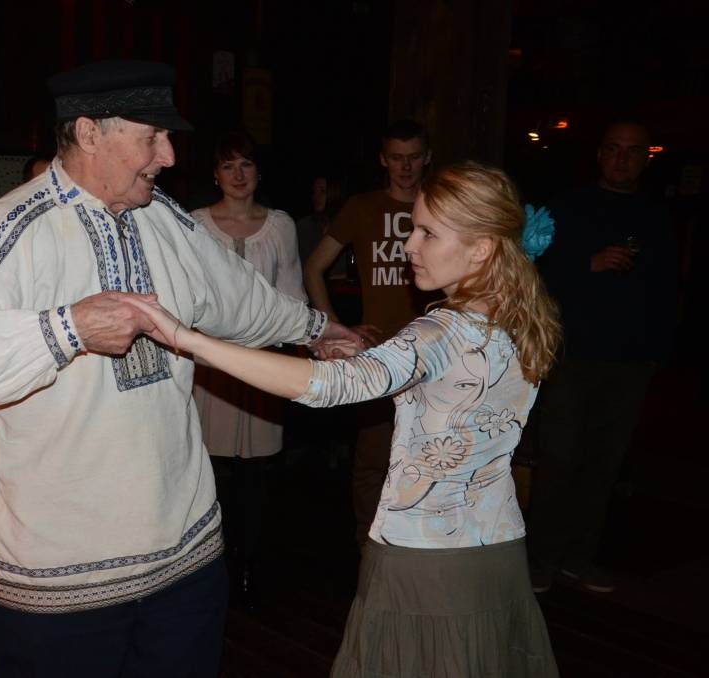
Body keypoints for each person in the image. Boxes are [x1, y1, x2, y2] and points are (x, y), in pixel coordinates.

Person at [0, 59, 360, 678]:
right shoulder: (15, 227)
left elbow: (240, 298)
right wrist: (67, 329)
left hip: (186, 564)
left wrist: (317, 329)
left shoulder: (164, 217)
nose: (168, 156)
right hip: (62, 588)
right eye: (152, 137)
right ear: (90, 133)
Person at [124, 162, 562, 677]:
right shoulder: (523, 317)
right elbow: (456, 392)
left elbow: (330, 387)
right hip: (499, 549)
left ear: (482, 248)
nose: (408, 246)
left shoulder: (440, 332)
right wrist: (368, 357)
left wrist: (189, 340)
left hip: (424, 556)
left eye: (428, 233)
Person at [527, 119, 679, 594]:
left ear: (646, 159)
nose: (621, 158)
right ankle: (540, 561)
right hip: (570, 356)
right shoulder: (566, 207)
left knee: (604, 464)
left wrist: (657, 353)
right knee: (558, 459)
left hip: (630, 362)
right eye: (613, 149)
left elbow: (668, 289)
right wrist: (586, 264)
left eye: (632, 151)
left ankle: (579, 559)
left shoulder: (658, 217)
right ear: (599, 154)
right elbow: (528, 274)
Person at [303, 119, 437, 546]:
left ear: (427, 157)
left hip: (435, 351)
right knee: (374, 460)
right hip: (380, 353)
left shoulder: (441, 205)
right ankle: (370, 550)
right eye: (397, 158)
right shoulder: (363, 207)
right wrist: (335, 328)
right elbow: (313, 268)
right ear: (383, 160)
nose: (405, 166)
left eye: (413, 157)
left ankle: (418, 546)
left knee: (430, 456)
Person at [190, 130, 305, 610]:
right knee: (210, 469)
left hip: (263, 363)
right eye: (228, 166)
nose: (238, 175)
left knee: (257, 472)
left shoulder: (280, 225)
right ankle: (210, 566)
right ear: (215, 175)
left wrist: (303, 345)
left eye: (246, 165)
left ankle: (250, 567)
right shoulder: (194, 225)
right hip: (209, 365)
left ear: (259, 172)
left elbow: (292, 296)